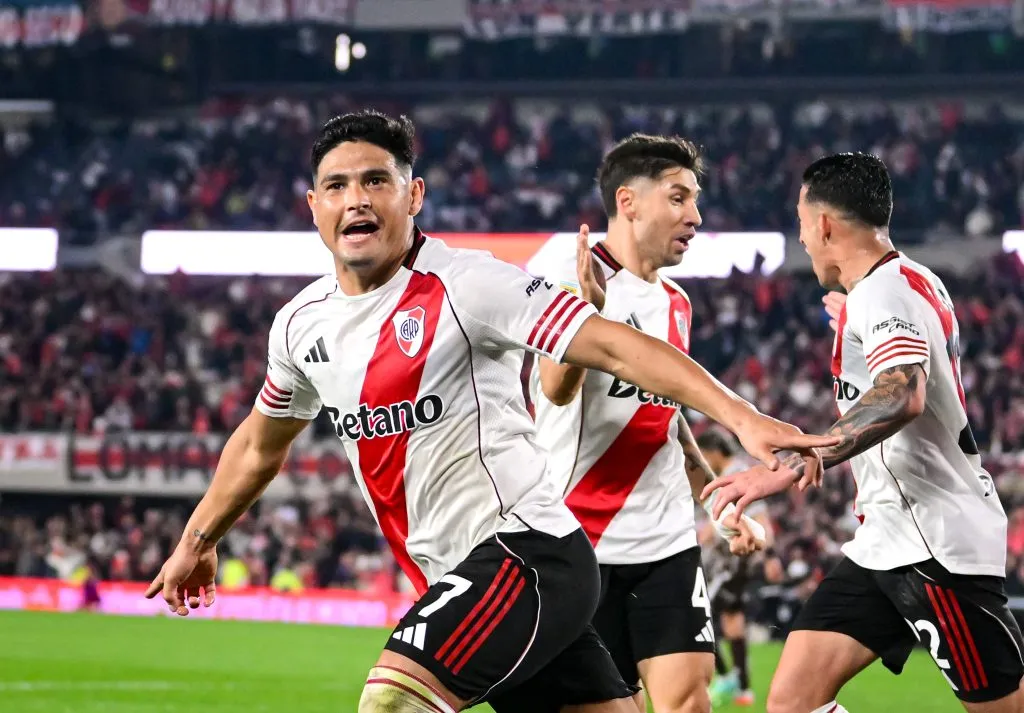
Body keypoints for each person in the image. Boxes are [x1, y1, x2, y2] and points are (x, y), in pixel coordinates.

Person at [143, 110, 838, 713]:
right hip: (456, 577)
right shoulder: (300, 325)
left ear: (414, 194)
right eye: (337, 186)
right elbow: (259, 445)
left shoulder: (469, 284)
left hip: (527, 553)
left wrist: (744, 418)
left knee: (391, 700)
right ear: (313, 205)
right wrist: (198, 539)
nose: (356, 199)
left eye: (377, 181)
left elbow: (611, 346)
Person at [704, 152, 1024, 713]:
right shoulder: (907, 281)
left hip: (934, 545)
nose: (802, 238)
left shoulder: (882, 293)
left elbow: (903, 392)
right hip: (885, 541)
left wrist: (801, 462)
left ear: (826, 224)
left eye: (802, 223)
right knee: (791, 702)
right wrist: (858, 318)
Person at [530, 133, 767, 713]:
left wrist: (717, 503)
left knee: (689, 701)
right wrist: (588, 313)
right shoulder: (568, 271)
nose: (696, 216)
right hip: (582, 543)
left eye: (695, 200)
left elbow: (667, 419)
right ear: (628, 202)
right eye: (678, 198)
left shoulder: (678, 302)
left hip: (667, 541)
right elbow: (555, 391)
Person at [696, 429, 777, 709]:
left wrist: (770, 555)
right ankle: (742, 687)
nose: (702, 461)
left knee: (700, 614)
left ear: (714, 452)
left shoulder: (736, 474)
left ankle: (725, 676)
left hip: (735, 561)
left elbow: (759, 516)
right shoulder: (737, 471)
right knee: (732, 620)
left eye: (704, 455)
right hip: (734, 561)